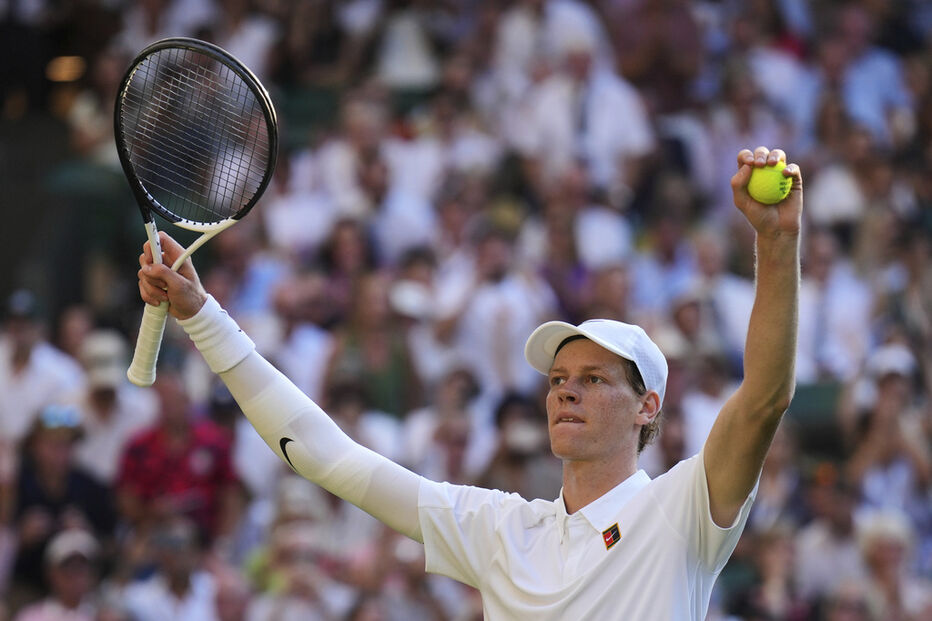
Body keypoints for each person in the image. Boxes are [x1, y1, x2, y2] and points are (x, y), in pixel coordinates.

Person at [136, 146, 802, 619]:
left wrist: (774, 246)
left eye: (593, 379)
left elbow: (764, 397)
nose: (565, 390)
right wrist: (204, 316)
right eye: (559, 378)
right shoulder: (500, 528)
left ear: (646, 407)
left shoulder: (682, 508)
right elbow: (326, 455)